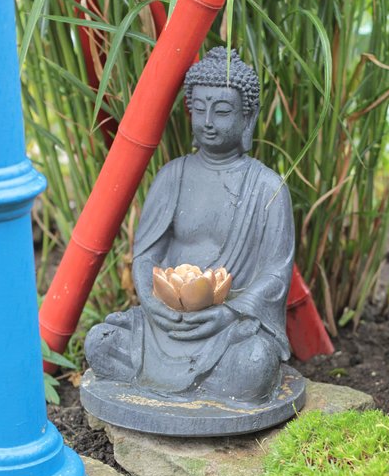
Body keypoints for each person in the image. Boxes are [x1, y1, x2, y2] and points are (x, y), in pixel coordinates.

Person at [85, 48, 295, 404]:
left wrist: (228, 312)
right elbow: (146, 256)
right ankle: (191, 385)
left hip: (229, 325)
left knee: (254, 363)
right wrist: (153, 305)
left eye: (222, 111)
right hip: (164, 322)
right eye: (199, 109)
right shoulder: (173, 176)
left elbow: (275, 273)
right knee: (100, 343)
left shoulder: (267, 188)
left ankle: (209, 384)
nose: (208, 121)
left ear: (247, 118)